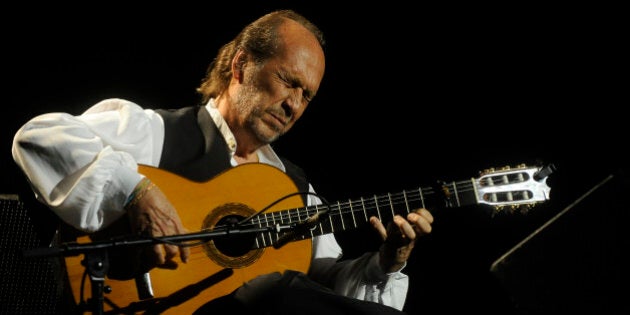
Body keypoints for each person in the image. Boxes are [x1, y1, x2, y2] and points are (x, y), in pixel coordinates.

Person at [12, 9, 434, 315]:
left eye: (307, 95)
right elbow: (37, 138)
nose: (294, 105)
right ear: (241, 65)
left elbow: (321, 285)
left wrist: (384, 265)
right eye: (289, 81)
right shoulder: (156, 133)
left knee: (285, 288)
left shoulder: (294, 189)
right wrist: (136, 190)